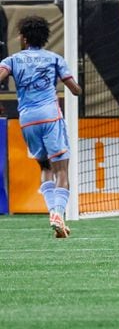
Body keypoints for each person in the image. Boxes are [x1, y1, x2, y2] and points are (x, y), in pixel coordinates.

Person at [0, 16, 82, 238]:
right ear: (45, 38)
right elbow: (74, 90)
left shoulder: (12, 60)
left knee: (45, 167)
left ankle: (55, 216)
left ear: (24, 38)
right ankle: (57, 212)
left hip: (28, 120)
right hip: (50, 117)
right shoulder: (55, 59)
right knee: (61, 170)